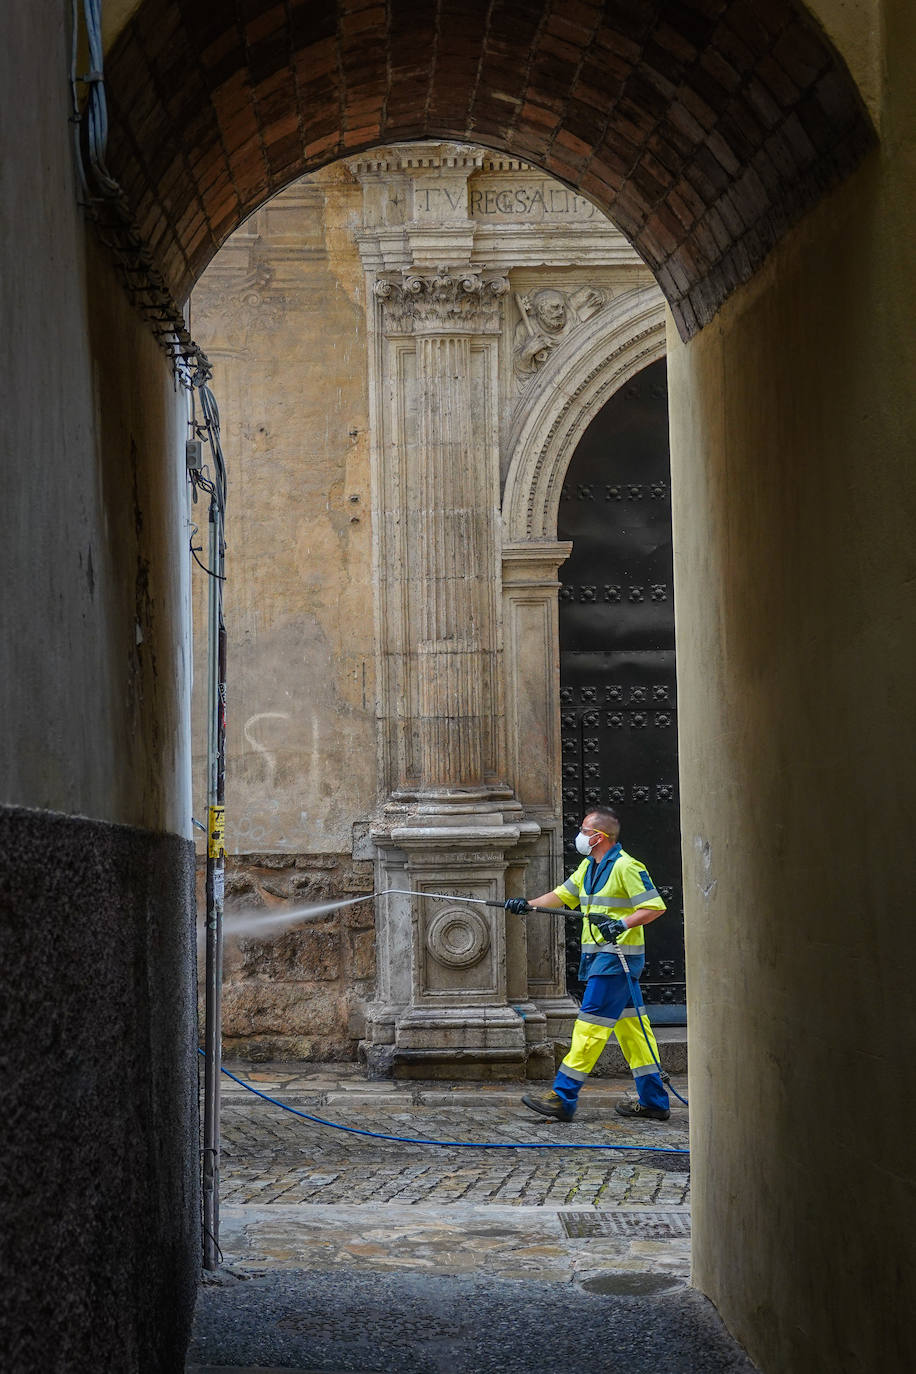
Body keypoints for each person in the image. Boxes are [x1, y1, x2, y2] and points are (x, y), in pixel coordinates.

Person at [506, 806, 670, 1123]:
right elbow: (562, 894)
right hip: (602, 959)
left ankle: (563, 1096)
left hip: (616, 960)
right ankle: (654, 1100)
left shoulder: (627, 867)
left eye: (585, 830)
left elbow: (654, 906)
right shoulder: (589, 867)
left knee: (589, 1028)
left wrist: (621, 925)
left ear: (599, 836)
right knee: (634, 1032)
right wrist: (527, 905)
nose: (580, 835)